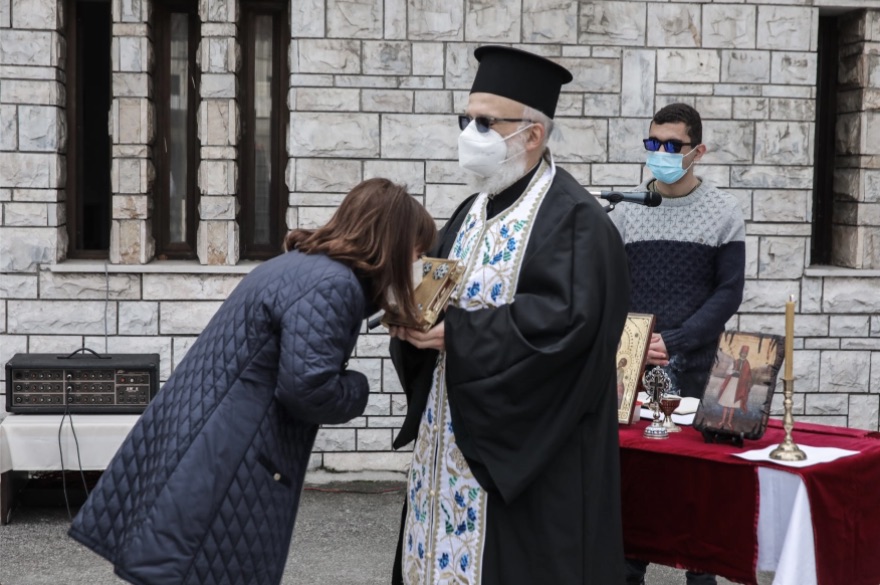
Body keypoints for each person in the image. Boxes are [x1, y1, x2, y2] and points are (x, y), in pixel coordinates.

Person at [68, 178, 436, 585]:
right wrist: (358, 389)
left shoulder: (300, 265)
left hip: (207, 440)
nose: (416, 264)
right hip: (231, 458)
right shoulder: (333, 284)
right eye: (416, 253)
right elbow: (307, 388)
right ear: (391, 242)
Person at [387, 45, 631, 585]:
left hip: (523, 457)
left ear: (532, 135)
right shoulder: (472, 209)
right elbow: (434, 293)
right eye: (465, 118)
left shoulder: (577, 222)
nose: (469, 133)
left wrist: (459, 336)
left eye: (484, 121)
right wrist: (409, 317)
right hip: (447, 441)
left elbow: (567, 329)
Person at [609, 103, 746, 585]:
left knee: (696, 496)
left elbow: (728, 291)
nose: (660, 154)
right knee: (633, 493)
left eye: (672, 146)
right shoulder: (625, 211)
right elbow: (610, 286)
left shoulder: (724, 213)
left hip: (698, 367)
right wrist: (635, 340)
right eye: (653, 144)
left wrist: (679, 338)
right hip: (633, 368)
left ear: (698, 151)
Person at [717, 345, 753, 428]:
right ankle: (722, 420)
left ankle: (729, 422)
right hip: (731, 384)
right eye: (742, 353)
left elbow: (748, 376)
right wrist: (733, 371)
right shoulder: (735, 362)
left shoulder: (747, 364)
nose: (743, 354)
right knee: (726, 403)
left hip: (739, 386)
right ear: (740, 353)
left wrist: (742, 375)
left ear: (746, 354)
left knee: (733, 405)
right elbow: (728, 371)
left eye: (745, 353)